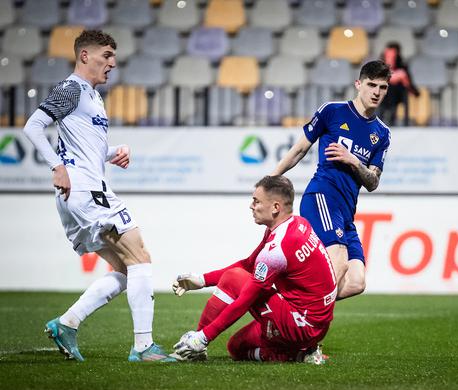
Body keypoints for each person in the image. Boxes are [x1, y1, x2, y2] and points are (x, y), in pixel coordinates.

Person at [22, 30, 174, 362]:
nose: (112, 63)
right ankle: (144, 347)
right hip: (86, 191)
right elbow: (33, 126)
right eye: (106, 55)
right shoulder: (72, 88)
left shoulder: (92, 95)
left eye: (113, 57)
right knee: (141, 258)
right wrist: (56, 166)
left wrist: (114, 151)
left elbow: (86, 150)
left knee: (124, 269)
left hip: (81, 191)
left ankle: (67, 323)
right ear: (85, 56)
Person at [170, 176, 337, 364]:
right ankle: (300, 354)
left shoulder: (280, 245)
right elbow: (249, 264)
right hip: (313, 324)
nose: (251, 206)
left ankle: (197, 345)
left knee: (234, 278)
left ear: (275, 207)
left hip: (302, 324)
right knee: (235, 347)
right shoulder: (296, 224)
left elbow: (245, 298)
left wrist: (204, 337)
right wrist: (202, 280)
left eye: (256, 201)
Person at [271, 60, 391, 300]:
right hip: (323, 196)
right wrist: (270, 179)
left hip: (346, 212)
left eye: (383, 87)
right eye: (371, 85)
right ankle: (301, 328)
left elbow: (373, 182)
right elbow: (298, 150)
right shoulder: (333, 111)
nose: (377, 92)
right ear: (358, 84)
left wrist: (353, 160)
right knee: (338, 262)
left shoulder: (382, 133)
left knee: (356, 282)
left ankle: (290, 303)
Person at [379, 42, 419, 126]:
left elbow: (408, 84)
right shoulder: (379, 66)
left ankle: (392, 117)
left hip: (398, 95)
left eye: (393, 54)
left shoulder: (402, 67)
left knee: (392, 88)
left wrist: (414, 91)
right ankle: (385, 117)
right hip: (382, 94)